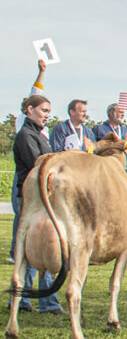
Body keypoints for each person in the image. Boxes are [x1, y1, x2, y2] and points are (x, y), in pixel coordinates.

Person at [11, 93, 64, 314]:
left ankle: (37, 301)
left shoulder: (40, 135)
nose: (46, 115)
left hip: (41, 197)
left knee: (39, 249)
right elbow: (39, 164)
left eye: (49, 112)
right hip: (31, 199)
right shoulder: (25, 135)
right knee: (33, 250)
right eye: (43, 110)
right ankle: (34, 300)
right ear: (29, 110)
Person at [9, 59, 46, 264]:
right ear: (28, 109)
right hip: (25, 175)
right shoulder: (23, 123)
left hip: (36, 176)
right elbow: (35, 94)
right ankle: (18, 252)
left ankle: (22, 251)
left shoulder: (42, 129)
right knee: (22, 215)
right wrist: (41, 73)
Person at [93, 103, 127, 179]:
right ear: (111, 113)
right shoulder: (99, 129)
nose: (123, 115)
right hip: (106, 172)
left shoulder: (126, 130)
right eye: (120, 112)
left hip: (125, 172)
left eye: (123, 113)